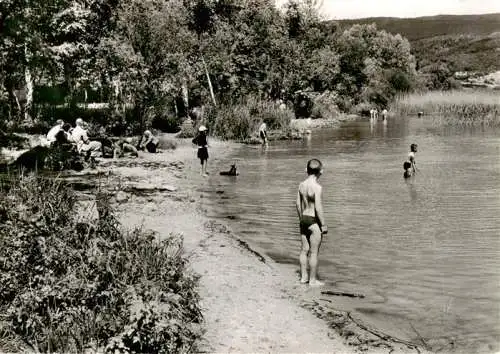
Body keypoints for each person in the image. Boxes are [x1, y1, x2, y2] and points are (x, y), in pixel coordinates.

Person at [296, 159, 328, 287]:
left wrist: (301, 219)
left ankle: (304, 277)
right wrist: (324, 224)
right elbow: (318, 208)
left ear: (306, 170)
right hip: (313, 220)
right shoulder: (317, 187)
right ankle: (313, 280)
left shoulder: (301, 185)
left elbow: (297, 204)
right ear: (320, 172)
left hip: (303, 218)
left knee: (304, 250)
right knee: (314, 252)